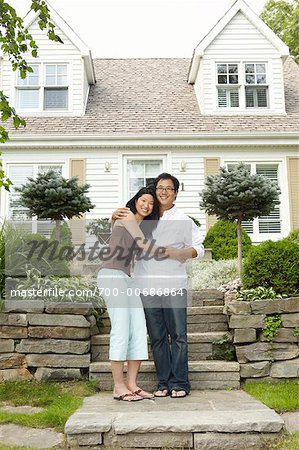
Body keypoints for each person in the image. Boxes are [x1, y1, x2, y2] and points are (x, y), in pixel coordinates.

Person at [113, 173, 204, 398]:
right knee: (157, 337)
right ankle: (164, 383)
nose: (163, 192)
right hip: (146, 285)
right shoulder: (145, 218)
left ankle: (180, 383)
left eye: (169, 188)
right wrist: (113, 215)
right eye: (160, 188)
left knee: (179, 335)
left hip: (174, 284)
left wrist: (181, 252)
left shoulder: (184, 219)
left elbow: (198, 248)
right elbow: (122, 228)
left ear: (175, 193)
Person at [97, 186, 174, 402]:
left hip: (126, 278)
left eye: (151, 203)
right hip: (111, 275)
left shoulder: (141, 224)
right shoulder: (127, 215)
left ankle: (132, 384)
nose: (147, 205)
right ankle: (118, 386)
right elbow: (143, 245)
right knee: (121, 328)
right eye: (143, 200)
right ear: (136, 200)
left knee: (139, 328)